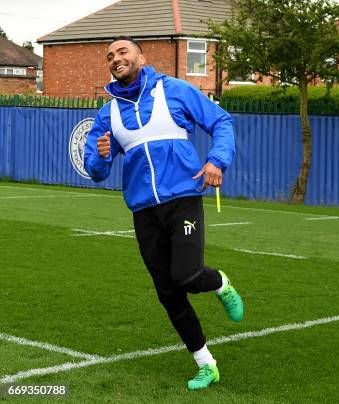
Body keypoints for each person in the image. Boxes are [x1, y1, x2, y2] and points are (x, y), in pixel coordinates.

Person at [84, 36, 244, 389]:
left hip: (182, 199)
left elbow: (221, 122)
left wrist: (217, 160)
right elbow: (96, 170)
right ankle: (207, 364)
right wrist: (100, 153)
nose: (115, 58)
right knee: (168, 292)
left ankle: (219, 282)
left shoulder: (173, 90)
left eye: (123, 51)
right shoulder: (107, 112)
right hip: (144, 211)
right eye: (110, 56)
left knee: (187, 276)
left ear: (142, 56)